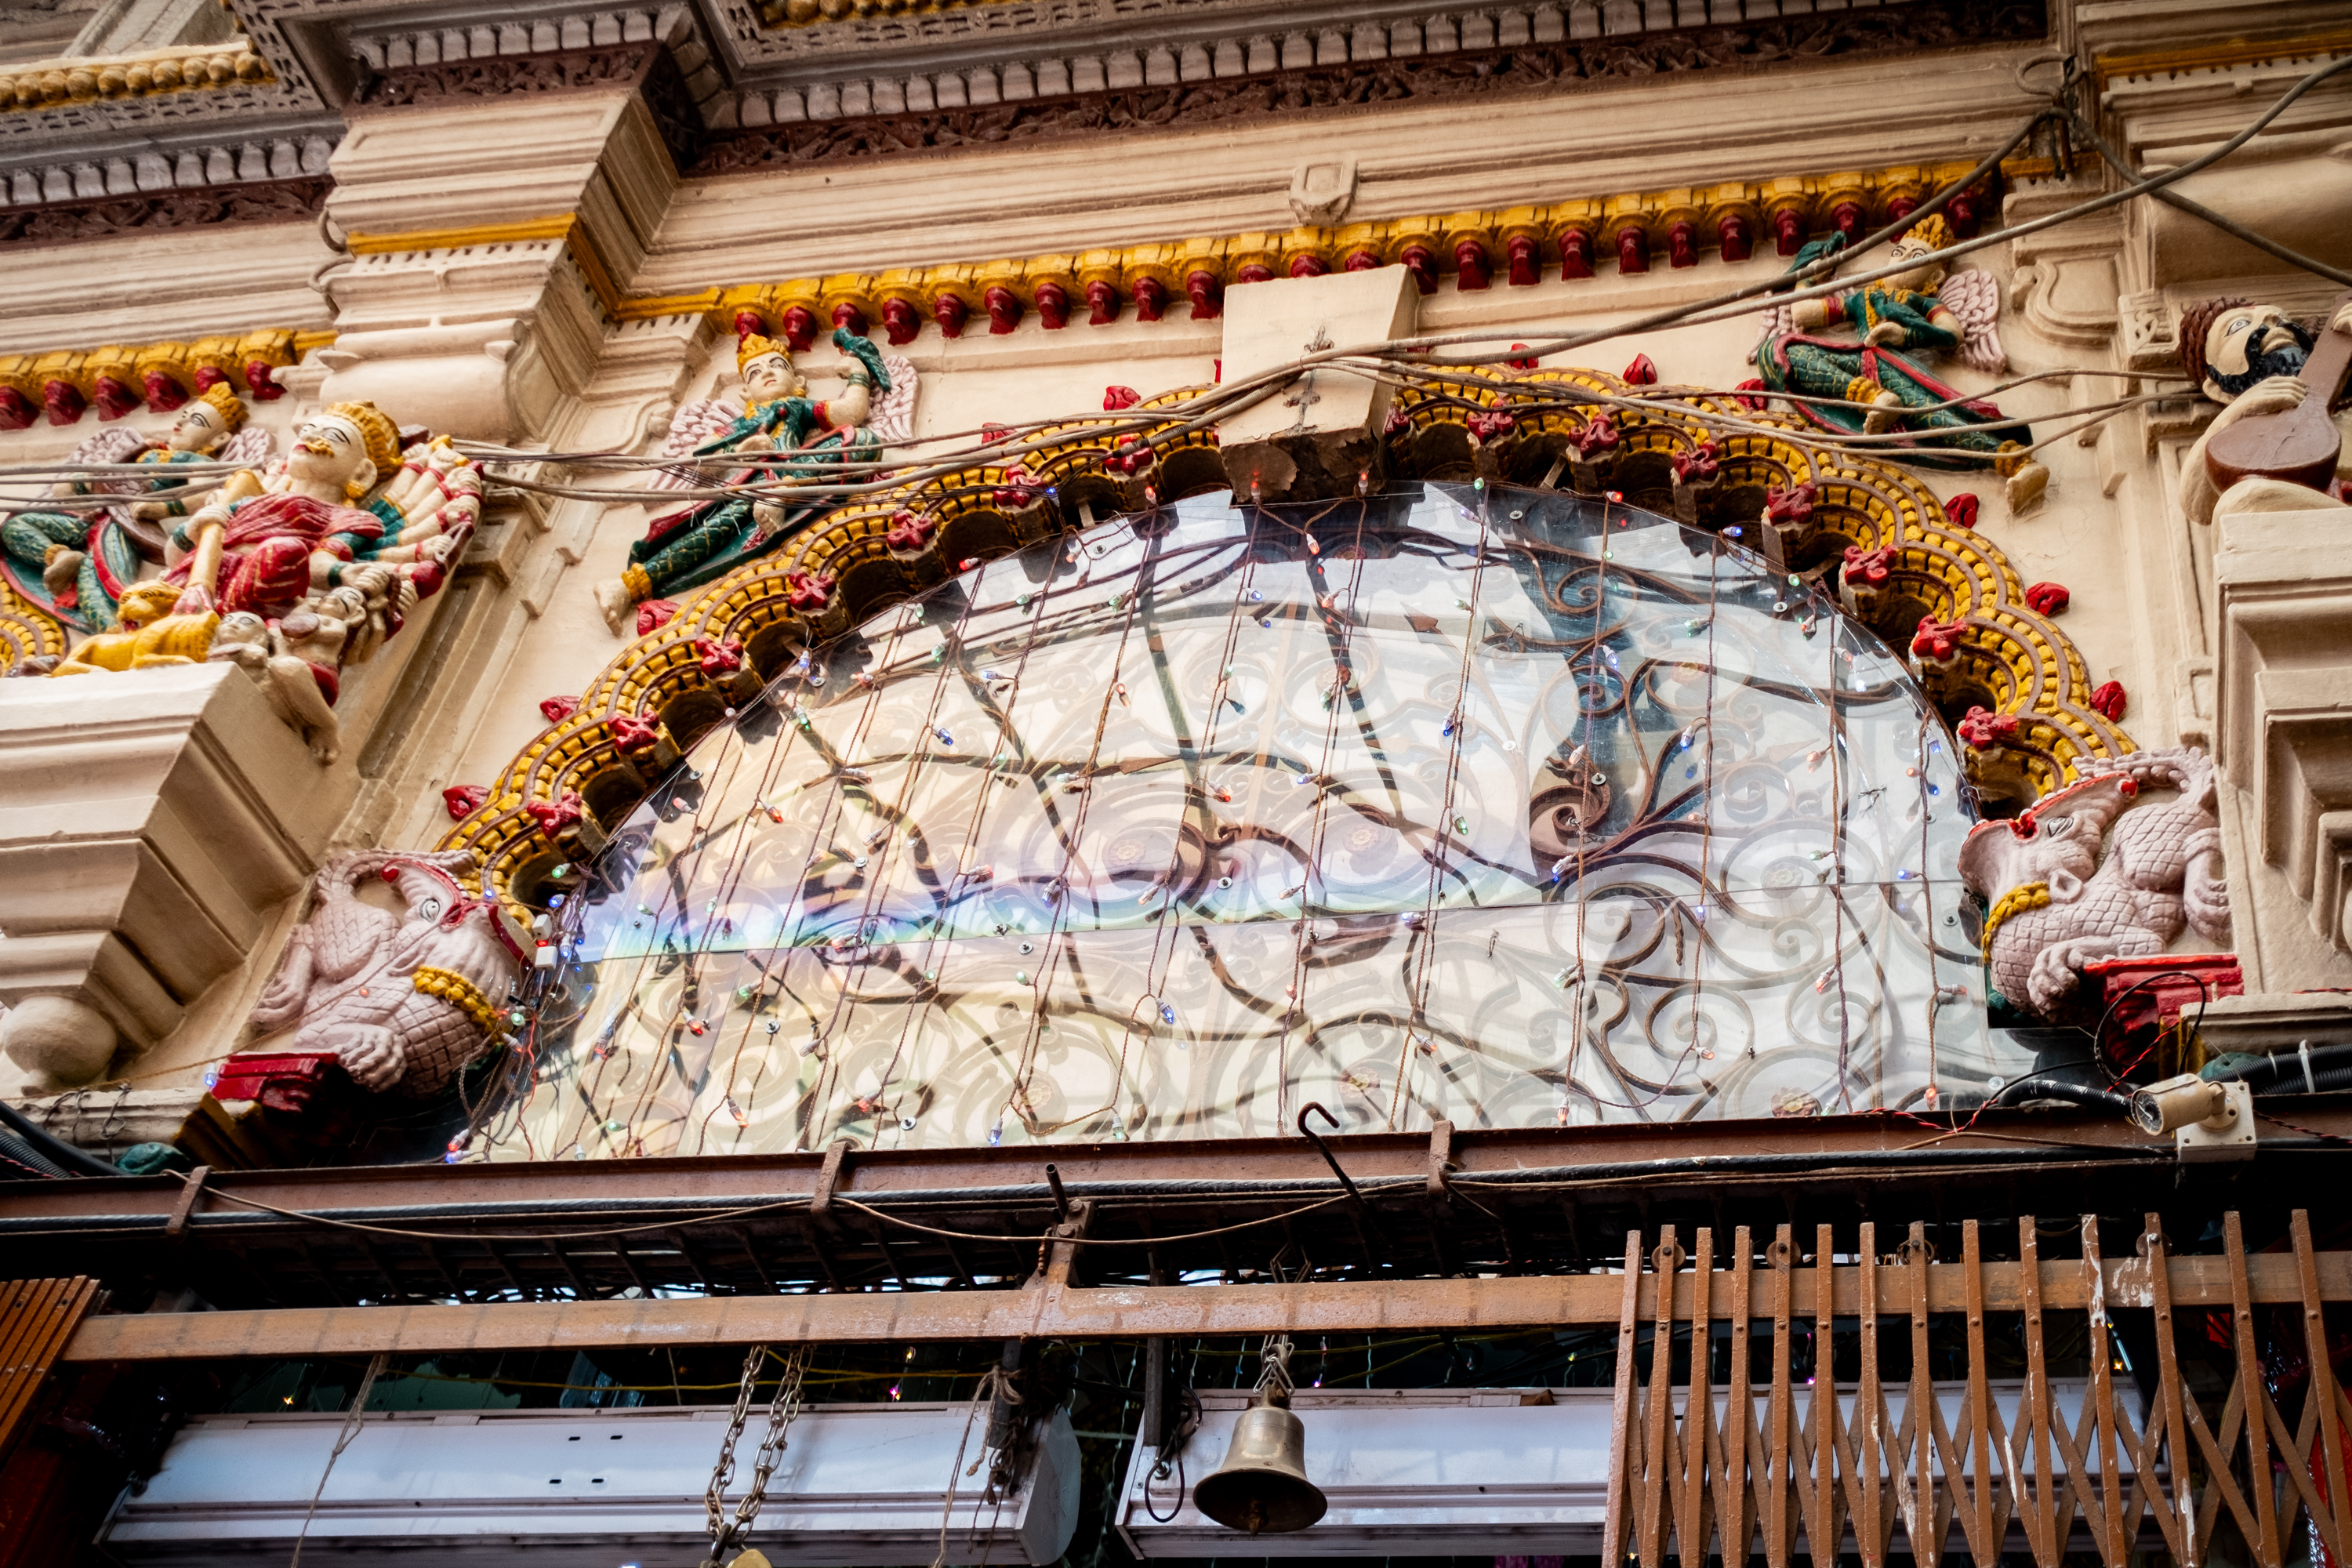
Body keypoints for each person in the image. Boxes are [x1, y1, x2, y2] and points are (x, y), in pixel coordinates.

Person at [593, 327, 892, 633]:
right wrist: (742, 450)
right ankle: (626, 587)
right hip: (752, 485)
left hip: (797, 471)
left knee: (862, 440)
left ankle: (783, 493)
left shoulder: (796, 407)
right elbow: (700, 459)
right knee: (719, 526)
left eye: (777, 366)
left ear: (799, 382)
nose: (767, 373)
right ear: (745, 393)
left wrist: (858, 374)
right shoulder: (744, 422)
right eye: (755, 372)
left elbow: (850, 414)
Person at [1753, 215, 2051, 510]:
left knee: (1936, 419)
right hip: (1858, 360)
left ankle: (2018, 464)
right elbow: (1803, 314)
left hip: (1894, 365)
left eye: (1916, 257)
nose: (1902, 260)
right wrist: (1809, 276)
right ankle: (1873, 398)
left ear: (1935, 277)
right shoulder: (1862, 299)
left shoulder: (1923, 303)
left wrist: (1905, 335)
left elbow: (1952, 334)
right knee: (1777, 350)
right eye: (1899, 252)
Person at [0, 382, 248, 630]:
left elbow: (206, 494)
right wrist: (94, 477)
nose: (181, 422)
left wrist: (163, 509)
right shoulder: (140, 455)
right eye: (183, 415)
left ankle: (114, 632)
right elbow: (62, 490)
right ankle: (61, 556)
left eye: (195, 420)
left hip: (127, 528)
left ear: (220, 438)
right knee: (16, 526)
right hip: (93, 520)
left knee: (97, 577)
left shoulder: (194, 461)